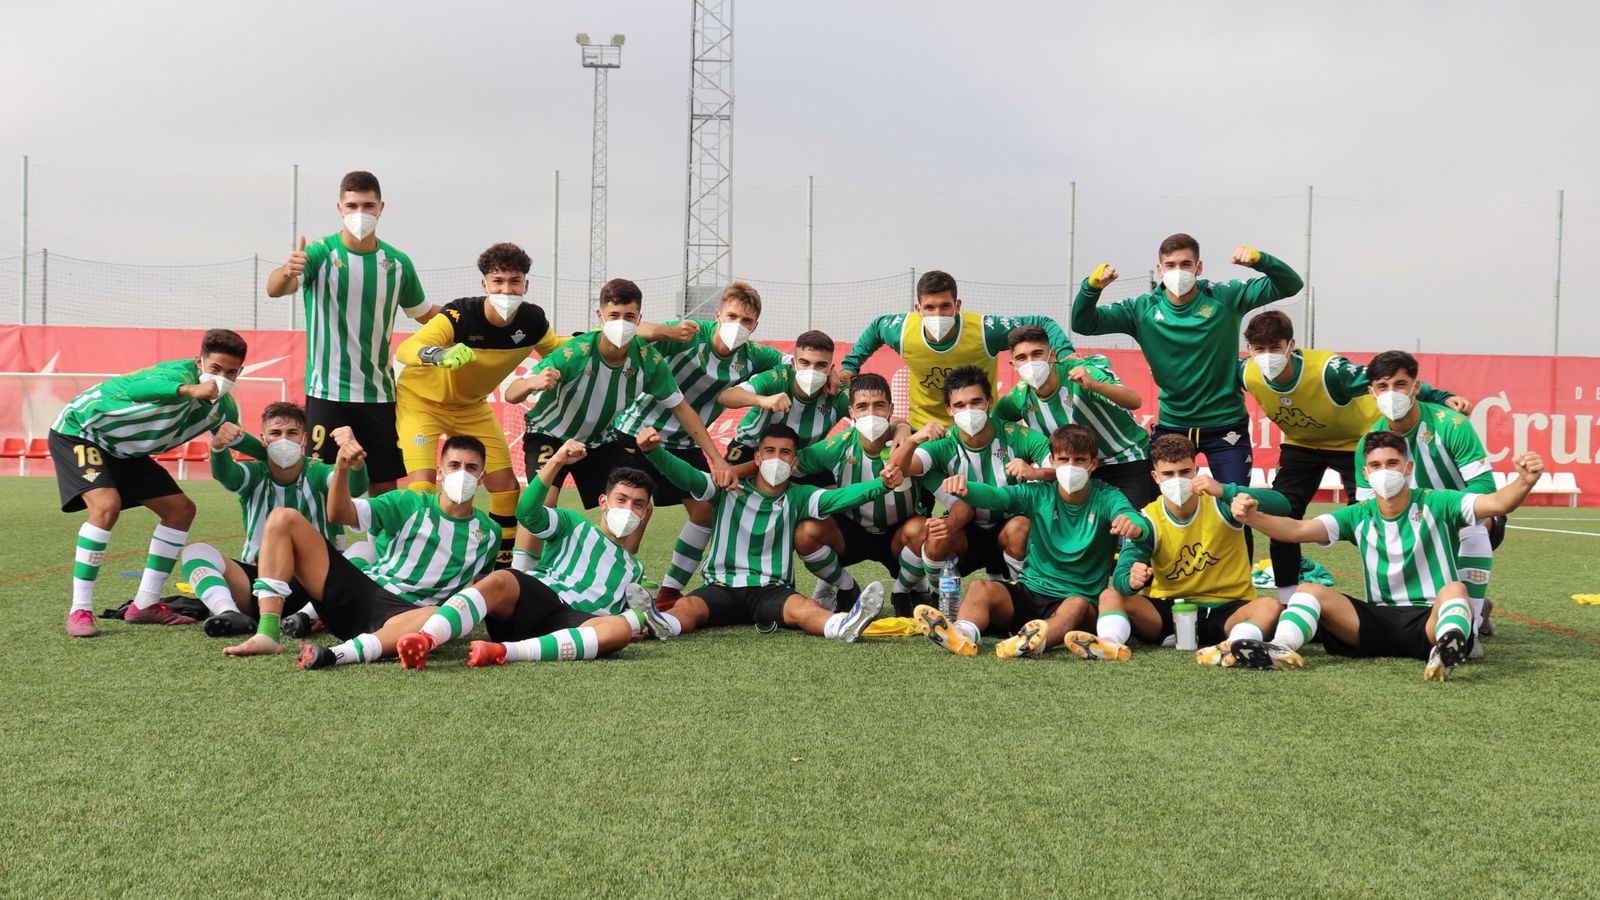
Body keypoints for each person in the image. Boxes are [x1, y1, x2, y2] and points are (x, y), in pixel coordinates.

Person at [1234, 432, 1543, 681]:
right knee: (1308, 591)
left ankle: (1446, 650)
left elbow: (1496, 504)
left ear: (1407, 468)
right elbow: (1297, 530)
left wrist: (1524, 481)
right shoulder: (1358, 515)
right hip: (1375, 621)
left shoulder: (1439, 502)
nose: (1385, 471)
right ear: (1366, 474)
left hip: (1427, 622)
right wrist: (1252, 518)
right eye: (1377, 465)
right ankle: (1280, 649)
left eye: (1392, 463)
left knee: (1455, 590)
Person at [1239, 311, 1468, 602]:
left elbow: (1385, 380)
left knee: (1375, 517)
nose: (1267, 356)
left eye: (1275, 348)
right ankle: (1286, 598)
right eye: (1260, 350)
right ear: (1249, 350)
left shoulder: (1329, 370)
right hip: (1302, 444)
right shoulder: (1246, 371)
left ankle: (1400, 592)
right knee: (1283, 513)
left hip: (1353, 442)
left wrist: (1442, 396)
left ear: (1290, 346)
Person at [221, 435, 499, 669]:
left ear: (482, 477)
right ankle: (268, 633)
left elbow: (476, 589)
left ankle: (340, 654)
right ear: (440, 473)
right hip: (363, 591)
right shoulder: (409, 502)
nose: (462, 473)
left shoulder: (490, 533)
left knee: (438, 613)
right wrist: (341, 468)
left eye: (471, 467)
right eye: (454, 465)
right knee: (283, 518)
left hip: (404, 617)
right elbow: (339, 513)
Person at [51, 328, 257, 637]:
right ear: (198, 363)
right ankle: (80, 609)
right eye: (214, 369)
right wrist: (189, 389)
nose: (221, 378)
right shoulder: (176, 373)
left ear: (239, 372)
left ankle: (145, 605)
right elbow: (140, 389)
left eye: (230, 372)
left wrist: (271, 452)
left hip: (127, 451)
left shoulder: (224, 409)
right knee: (106, 506)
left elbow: (235, 443)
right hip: (82, 431)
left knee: (180, 510)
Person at [393, 441, 656, 669]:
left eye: (638, 504)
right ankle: (425, 639)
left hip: (574, 624)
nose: (628, 509)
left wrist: (637, 625)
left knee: (618, 630)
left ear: (645, 514)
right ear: (603, 502)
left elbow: (633, 614)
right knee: (503, 579)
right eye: (621, 499)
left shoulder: (636, 569)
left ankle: (502, 652)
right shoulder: (573, 523)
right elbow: (527, 513)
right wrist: (557, 461)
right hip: (541, 597)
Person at [628, 423, 894, 643]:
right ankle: (663, 623)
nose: (777, 458)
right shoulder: (726, 486)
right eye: (769, 451)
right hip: (722, 587)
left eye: (785, 453)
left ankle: (843, 625)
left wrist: (881, 485)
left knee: (804, 609)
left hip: (771, 590)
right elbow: (687, 477)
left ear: (795, 461)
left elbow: (841, 497)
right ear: (757, 458)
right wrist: (654, 453)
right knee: (688, 608)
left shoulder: (799, 496)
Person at [1072, 234, 1303, 487]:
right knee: (1164, 508)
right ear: (1160, 270)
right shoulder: (1140, 309)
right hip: (1173, 425)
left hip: (1226, 427)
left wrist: (1260, 260)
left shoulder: (1225, 296)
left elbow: (1291, 285)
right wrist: (1092, 286)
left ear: (1198, 267)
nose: (1178, 271)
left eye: (1185, 264)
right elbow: (1084, 323)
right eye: (1170, 265)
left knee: (1236, 508)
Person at [393, 242, 566, 568]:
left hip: (472, 407)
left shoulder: (532, 322)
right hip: (420, 403)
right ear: (484, 284)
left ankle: (497, 571)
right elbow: (409, 348)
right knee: (422, 487)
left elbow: (558, 349)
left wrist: (603, 338)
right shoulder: (460, 315)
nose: (506, 289)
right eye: (498, 282)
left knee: (506, 488)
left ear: (525, 285)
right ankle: (418, 564)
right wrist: (438, 354)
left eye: (514, 282)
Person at [609, 282, 780, 605]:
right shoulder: (690, 333)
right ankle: (617, 585)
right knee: (633, 511)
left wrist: (832, 376)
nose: (737, 326)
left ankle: (669, 593)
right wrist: (666, 332)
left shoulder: (753, 356)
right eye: (731, 316)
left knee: (705, 511)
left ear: (755, 326)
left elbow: (791, 363)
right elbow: (635, 329)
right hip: (636, 433)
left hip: (686, 443)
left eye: (746, 321)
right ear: (717, 315)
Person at [913, 424, 1149, 659]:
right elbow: (997, 496)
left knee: (1076, 606)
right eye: (1063, 459)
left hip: (1078, 599)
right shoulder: (1040, 493)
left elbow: (1129, 515)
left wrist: (1130, 522)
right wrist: (967, 489)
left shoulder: (1107, 496)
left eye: (1079, 460)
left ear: (1093, 464)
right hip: (1031, 591)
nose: (1070, 467)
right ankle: (963, 634)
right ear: (1052, 462)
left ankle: (1032, 642)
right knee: (980, 588)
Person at [266, 170, 436, 495]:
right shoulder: (319, 254)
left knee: (383, 481)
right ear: (339, 208)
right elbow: (276, 289)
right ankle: (326, 542)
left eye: (368, 206)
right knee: (321, 479)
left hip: (379, 393)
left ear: (381, 207)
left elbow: (425, 314)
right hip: (327, 392)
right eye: (353, 205)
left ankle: (379, 544)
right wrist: (288, 269)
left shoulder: (398, 263)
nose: (361, 213)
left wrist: (469, 319)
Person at [508, 277, 720, 530]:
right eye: (614, 315)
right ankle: (524, 569)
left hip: (599, 441)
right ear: (600, 315)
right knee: (542, 505)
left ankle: (618, 566)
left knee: (637, 501)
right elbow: (512, 393)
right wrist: (532, 383)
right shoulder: (575, 352)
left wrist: (717, 459)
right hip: (550, 435)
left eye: (629, 317)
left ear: (639, 319)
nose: (621, 323)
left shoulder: (647, 360)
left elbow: (682, 408)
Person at [1093, 434, 1311, 669]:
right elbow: (1123, 581)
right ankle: (1109, 644)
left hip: (1227, 610)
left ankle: (1233, 647)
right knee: (1110, 596)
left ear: (1196, 471)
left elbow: (1283, 504)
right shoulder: (1148, 518)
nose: (1177, 480)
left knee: (1269, 606)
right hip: (1169, 612)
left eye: (1185, 472)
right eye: (1168, 474)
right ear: (1155, 477)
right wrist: (1132, 581)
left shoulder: (1221, 502)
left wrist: (1228, 491)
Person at [178, 403, 368, 637]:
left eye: (292, 433)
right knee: (194, 552)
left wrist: (356, 463)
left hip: (316, 585)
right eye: (276, 433)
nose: (283, 440)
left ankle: (306, 616)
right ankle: (229, 612)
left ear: (304, 439)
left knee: (365, 550)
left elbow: (354, 489)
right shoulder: (255, 473)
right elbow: (228, 476)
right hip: (261, 585)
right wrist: (218, 449)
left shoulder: (318, 472)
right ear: (263, 438)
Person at [1355, 350, 1497, 639]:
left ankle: (1467, 632)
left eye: (1400, 384)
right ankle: (1469, 608)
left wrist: (1441, 511)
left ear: (1415, 387)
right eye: (1383, 387)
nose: (1391, 393)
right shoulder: (1369, 443)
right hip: (1410, 523)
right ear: (1372, 392)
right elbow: (1367, 503)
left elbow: (1484, 487)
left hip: (1458, 516)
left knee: (1478, 526)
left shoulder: (1452, 424)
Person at [838, 269, 1074, 428]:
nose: (937, 314)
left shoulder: (985, 331)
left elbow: (1043, 322)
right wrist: (850, 366)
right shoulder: (900, 330)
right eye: (929, 308)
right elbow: (877, 327)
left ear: (957, 306)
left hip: (982, 424)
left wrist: (1066, 354)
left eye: (945, 306)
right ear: (917, 309)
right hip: (926, 428)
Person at [890, 365, 1053, 583]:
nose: (969, 410)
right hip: (966, 530)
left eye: (976, 402)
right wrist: (912, 439)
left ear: (989, 402)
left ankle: (1022, 592)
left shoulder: (1019, 436)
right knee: (938, 535)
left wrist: (1035, 472)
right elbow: (897, 469)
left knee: (1021, 527)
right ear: (949, 410)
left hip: (1010, 526)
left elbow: (1060, 470)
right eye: (960, 405)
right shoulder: (945, 442)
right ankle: (940, 597)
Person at [791, 373, 931, 616]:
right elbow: (789, 464)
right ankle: (846, 588)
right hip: (852, 532)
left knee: (924, 529)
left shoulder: (915, 442)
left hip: (897, 535)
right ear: (851, 412)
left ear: (891, 408)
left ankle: (902, 591)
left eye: (879, 405)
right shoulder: (837, 446)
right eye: (862, 407)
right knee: (805, 533)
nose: (871, 414)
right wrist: (738, 472)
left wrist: (904, 427)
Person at [992, 325, 1153, 506]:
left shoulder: (1081, 373)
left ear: (1051, 355)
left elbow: (1134, 401)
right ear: (1013, 365)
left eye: (1037, 354)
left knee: (1127, 525)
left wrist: (1094, 385)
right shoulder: (1017, 398)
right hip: (1072, 471)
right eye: (1022, 358)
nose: (1031, 363)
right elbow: (994, 429)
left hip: (1123, 461)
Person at [717, 329, 850, 484]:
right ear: (793, 364)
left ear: (830, 369)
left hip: (800, 459)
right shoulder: (777, 379)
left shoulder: (839, 395)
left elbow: (868, 412)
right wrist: (763, 401)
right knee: (726, 489)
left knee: (833, 502)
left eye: (821, 365)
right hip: (750, 448)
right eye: (805, 363)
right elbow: (726, 396)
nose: (811, 371)